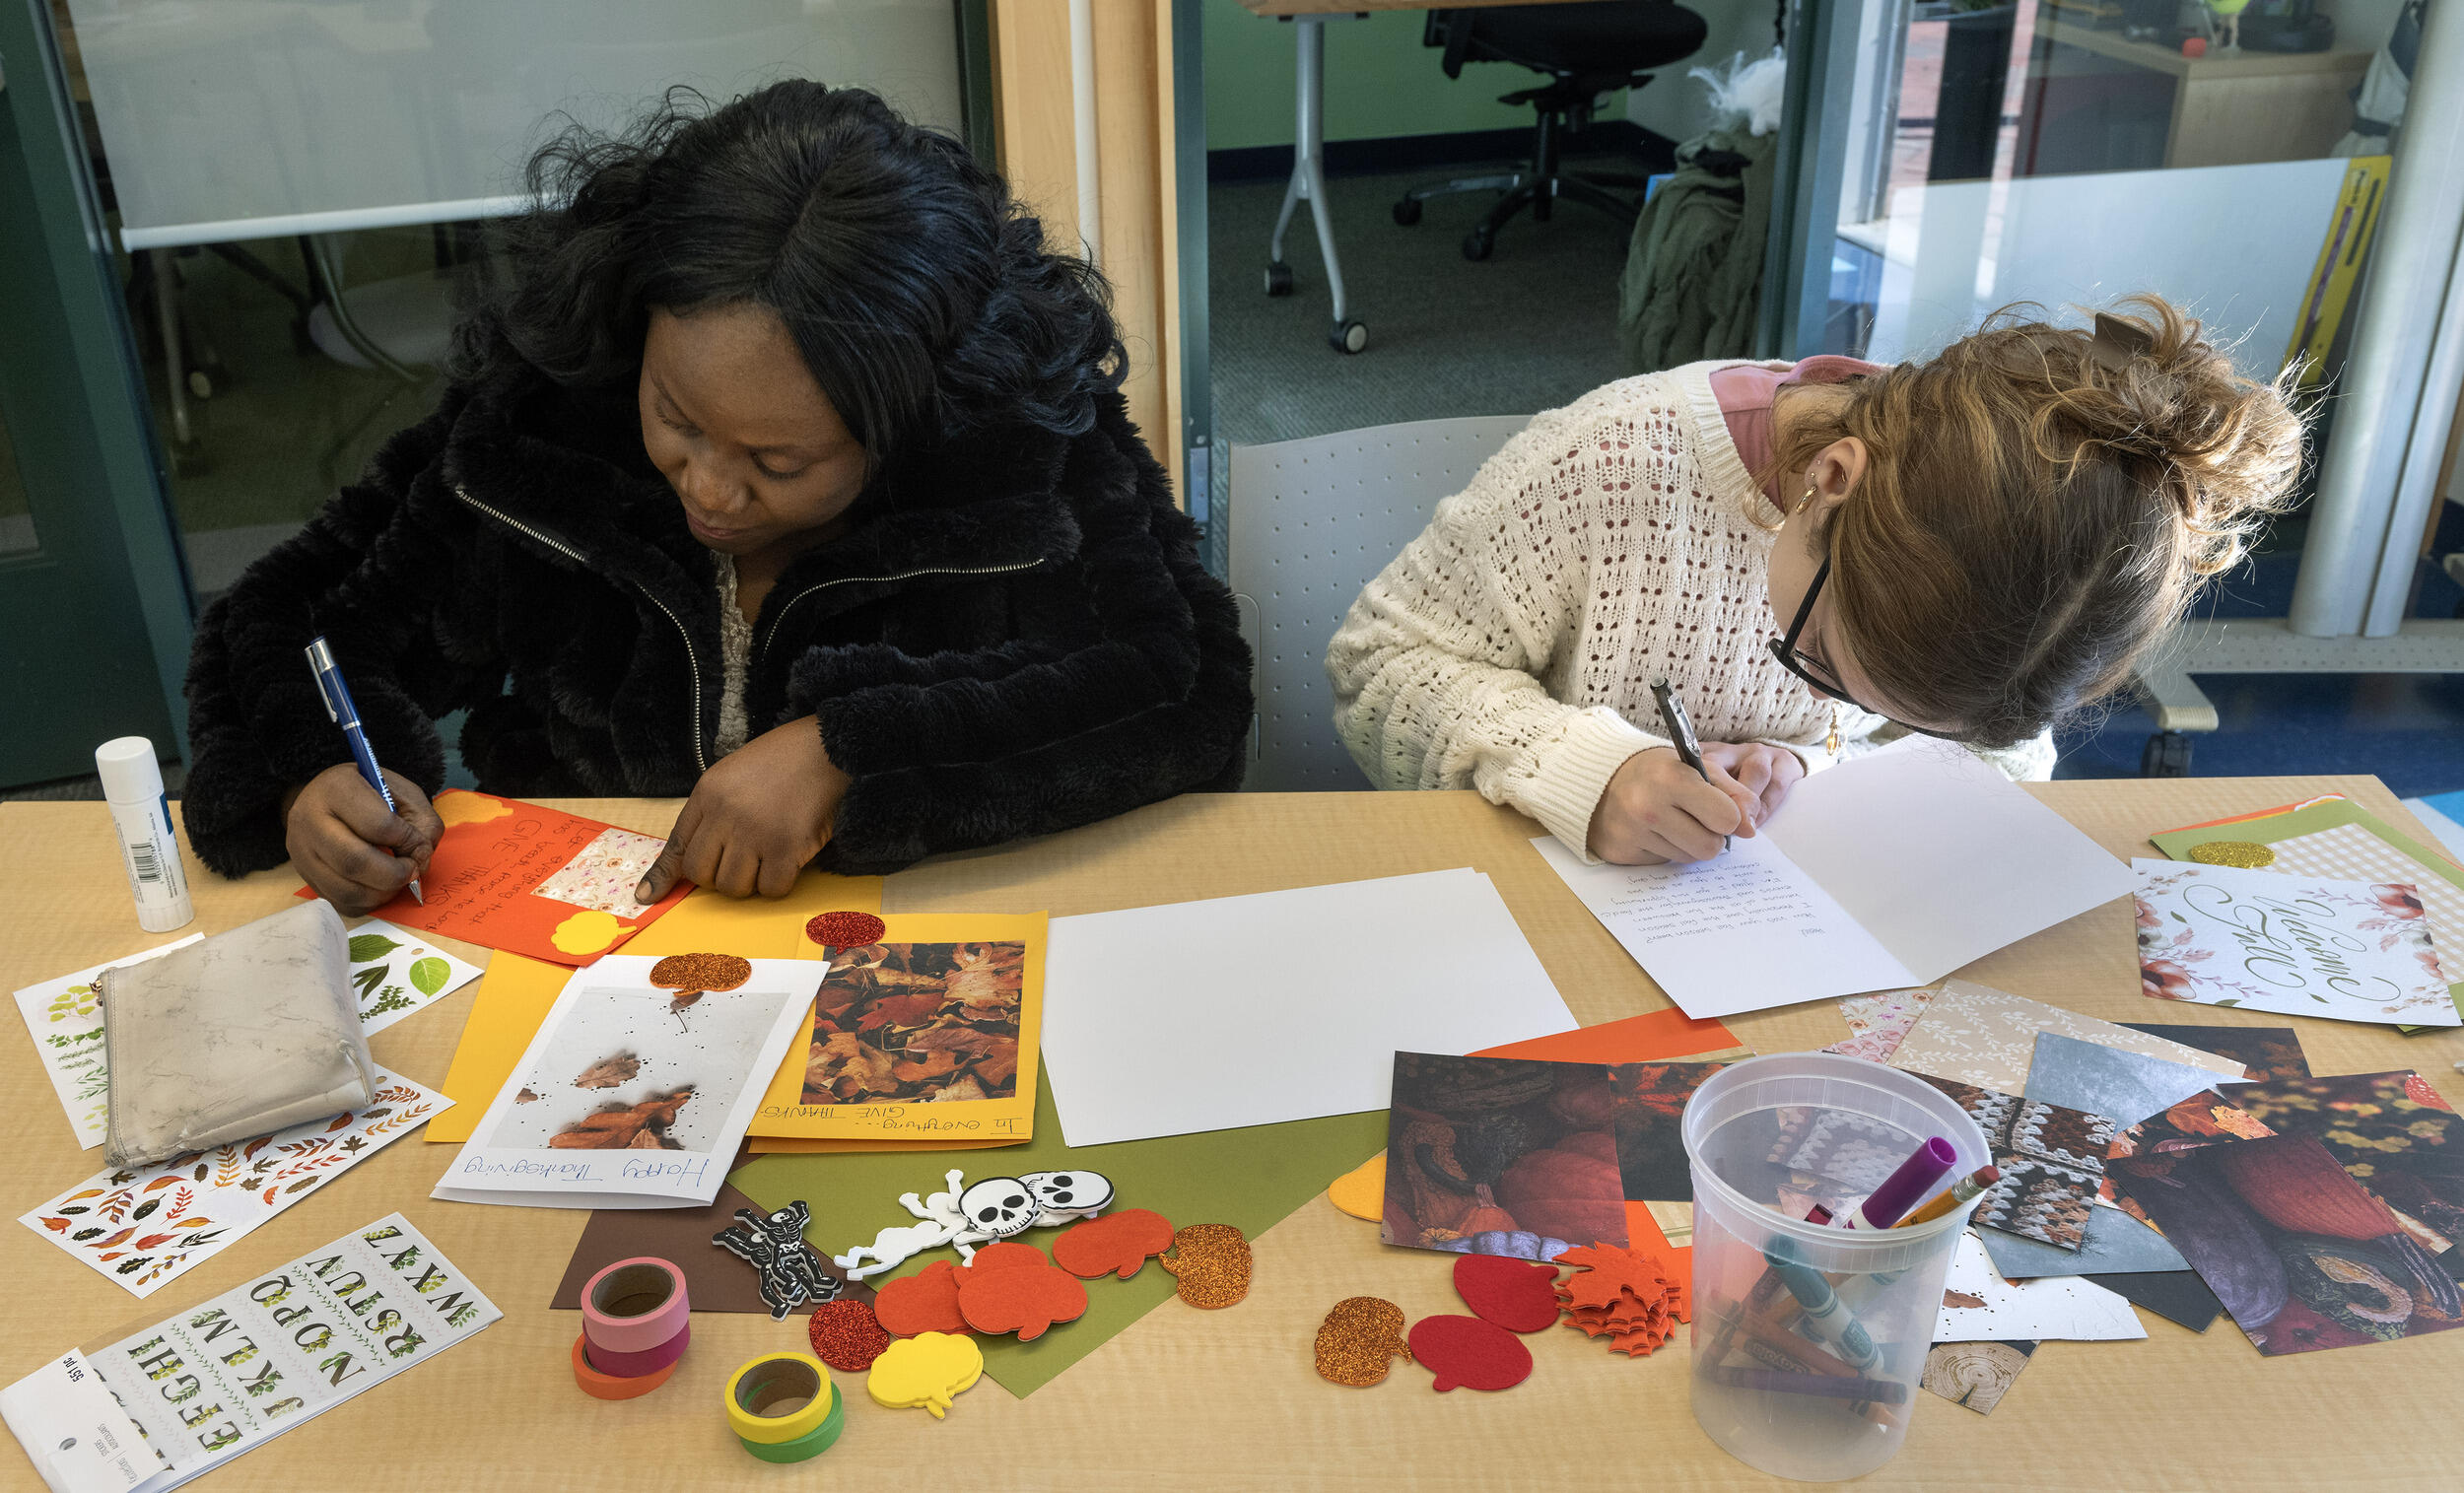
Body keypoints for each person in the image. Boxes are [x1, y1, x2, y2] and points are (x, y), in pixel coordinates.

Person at [183, 82, 1252, 912]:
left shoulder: (1020, 438)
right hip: (591, 941)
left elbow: (1178, 687)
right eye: (676, 418)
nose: (706, 487)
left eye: (777, 464)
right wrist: (312, 769)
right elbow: (289, 619)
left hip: (927, 929)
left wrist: (851, 753)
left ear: (912, 415)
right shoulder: (540, 425)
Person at [1327, 296, 2302, 865]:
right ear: (1828, 484)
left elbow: (2009, 767)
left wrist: (1820, 763)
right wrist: (1588, 771)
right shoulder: (1612, 462)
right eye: (1824, 666)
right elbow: (1381, 665)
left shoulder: (2033, 548)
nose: (1819, 699)